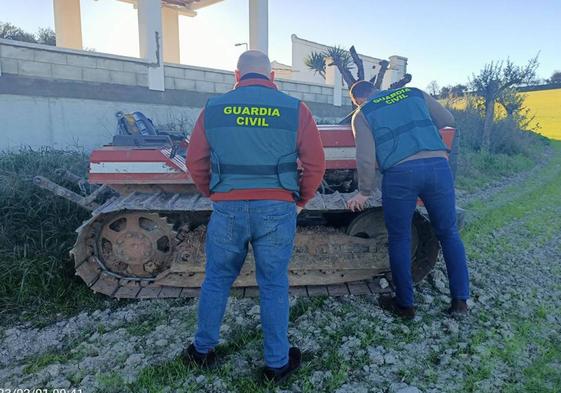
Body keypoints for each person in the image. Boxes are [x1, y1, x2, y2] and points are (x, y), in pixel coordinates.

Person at [183, 50, 326, 382]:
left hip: (227, 207)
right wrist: (301, 199)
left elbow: (194, 162)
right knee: (274, 283)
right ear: (272, 76)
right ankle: (276, 364)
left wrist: (214, 193)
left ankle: (202, 351)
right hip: (277, 208)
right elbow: (317, 164)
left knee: (217, 279)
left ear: (237, 75)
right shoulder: (295, 108)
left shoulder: (213, 108)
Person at [346, 81, 470, 320]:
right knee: (449, 233)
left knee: (400, 237)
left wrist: (364, 191)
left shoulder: (363, 114)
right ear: (377, 89)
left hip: (400, 175)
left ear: (358, 100)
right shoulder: (414, 93)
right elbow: (448, 120)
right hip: (438, 168)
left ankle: (405, 305)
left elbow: (365, 157)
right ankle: (460, 302)